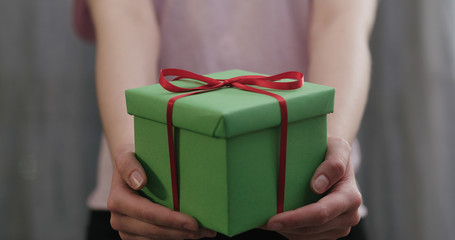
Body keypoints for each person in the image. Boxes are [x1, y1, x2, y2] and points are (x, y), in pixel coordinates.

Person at [74, 0, 377, 239]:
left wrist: (332, 147)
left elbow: (339, 23)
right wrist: (129, 153)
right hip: (153, 190)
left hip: (308, 190)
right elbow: (126, 17)